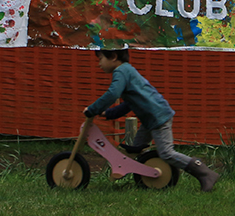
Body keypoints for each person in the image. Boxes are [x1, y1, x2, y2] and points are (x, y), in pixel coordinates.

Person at [83, 46, 220, 192]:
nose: (99, 63)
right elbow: (129, 103)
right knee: (135, 148)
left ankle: (205, 173)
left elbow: (112, 94)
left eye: (100, 59)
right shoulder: (128, 71)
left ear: (114, 56)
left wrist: (92, 109)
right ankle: (135, 170)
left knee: (166, 153)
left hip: (157, 116)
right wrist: (108, 114)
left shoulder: (121, 71)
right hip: (150, 117)